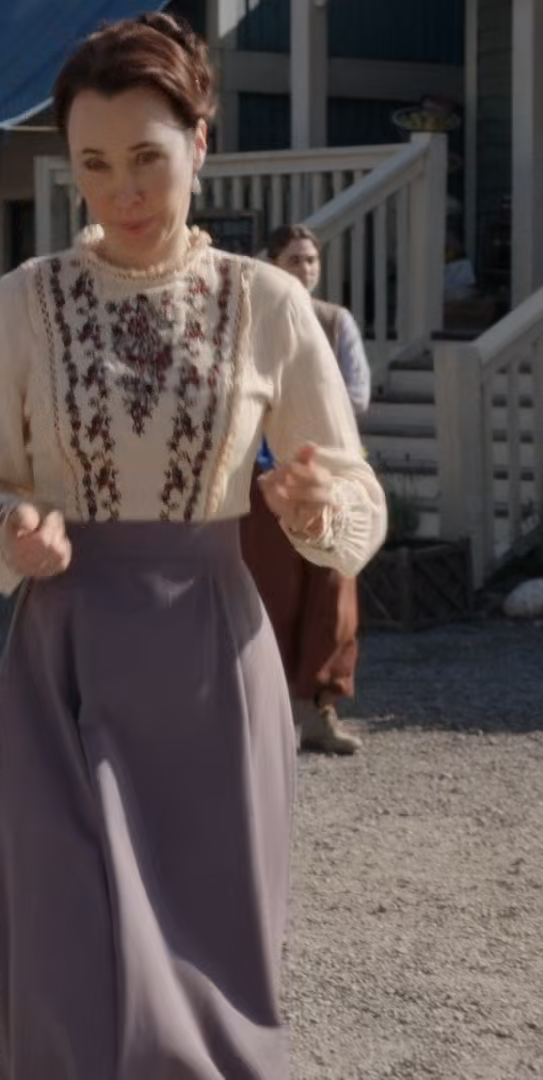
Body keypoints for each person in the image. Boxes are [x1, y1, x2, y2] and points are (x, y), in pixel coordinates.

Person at [0, 14, 387, 1077]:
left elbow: (359, 498)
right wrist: (11, 531)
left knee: (207, 981)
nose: (123, 191)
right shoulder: (21, 305)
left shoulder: (271, 303)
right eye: (93, 164)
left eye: (146, 157)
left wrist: (316, 512)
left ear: (200, 143)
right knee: (64, 969)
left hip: (213, 667)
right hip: (62, 661)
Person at [241, 222, 374, 754]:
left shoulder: (335, 322)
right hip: (265, 475)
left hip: (328, 475)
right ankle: (264, 717)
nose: (304, 268)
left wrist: (305, 406)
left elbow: (357, 396)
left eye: (311, 260)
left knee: (333, 591)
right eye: (294, 259)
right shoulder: (250, 323)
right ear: (272, 264)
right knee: (272, 591)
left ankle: (319, 711)